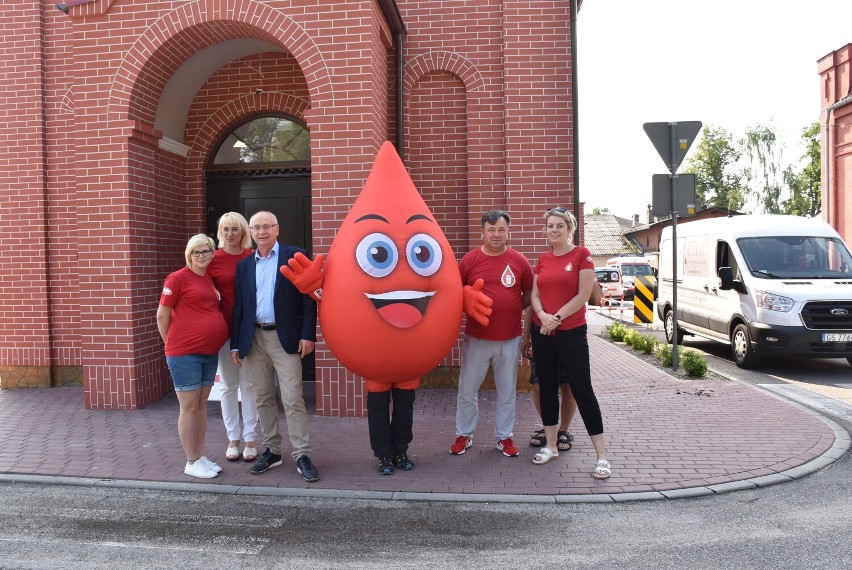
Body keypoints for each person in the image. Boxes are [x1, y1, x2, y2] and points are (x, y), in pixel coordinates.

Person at [230, 211, 320, 482]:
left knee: (292, 398)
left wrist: (308, 335)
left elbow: (308, 298)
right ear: (251, 233)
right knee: (263, 398)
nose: (261, 232)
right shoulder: (245, 265)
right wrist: (236, 344)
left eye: (266, 227)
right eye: (256, 228)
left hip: (286, 339)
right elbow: (240, 308)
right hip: (254, 339)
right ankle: (272, 450)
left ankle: (302, 454)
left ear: (277, 229)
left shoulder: (295, 256)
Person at [529, 207, 611, 479]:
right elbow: (535, 294)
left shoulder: (582, 255)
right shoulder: (542, 258)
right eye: (549, 226)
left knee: (582, 390)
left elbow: (584, 294)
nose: (553, 230)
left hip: (571, 333)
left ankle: (601, 457)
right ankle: (551, 446)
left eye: (559, 226)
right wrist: (542, 316)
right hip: (543, 334)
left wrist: (556, 318)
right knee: (548, 389)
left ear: (569, 228)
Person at [449, 210, 533, 458]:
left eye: (501, 229)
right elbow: (455, 292)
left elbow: (529, 293)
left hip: (510, 337)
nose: (496, 234)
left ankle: (504, 437)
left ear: (509, 232)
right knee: (467, 390)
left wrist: (512, 305)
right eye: (491, 229)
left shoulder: (519, 261)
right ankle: (464, 434)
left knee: (507, 392)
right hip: (477, 337)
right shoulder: (469, 260)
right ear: (483, 232)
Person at [157, 234, 229, 479]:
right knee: (188, 407)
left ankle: (199, 455)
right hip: (184, 354)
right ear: (189, 254)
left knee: (200, 407)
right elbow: (162, 315)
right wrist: (173, 344)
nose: (202, 256)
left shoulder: (208, 278)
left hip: (208, 353)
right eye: (197, 252)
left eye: (206, 252)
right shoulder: (177, 278)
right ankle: (191, 460)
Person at [207, 212, 258, 463]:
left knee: (249, 385)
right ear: (220, 233)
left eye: (235, 229)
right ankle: (233, 438)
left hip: (249, 329)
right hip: (223, 330)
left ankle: (250, 437)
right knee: (228, 386)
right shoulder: (212, 259)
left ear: (243, 232)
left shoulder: (253, 257)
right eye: (225, 229)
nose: (230, 234)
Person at [520, 307, 578, 452]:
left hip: (570, 333)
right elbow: (531, 307)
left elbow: (594, 299)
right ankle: (548, 427)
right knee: (539, 385)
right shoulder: (538, 283)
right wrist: (526, 336)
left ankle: (564, 430)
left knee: (568, 385)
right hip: (541, 334)